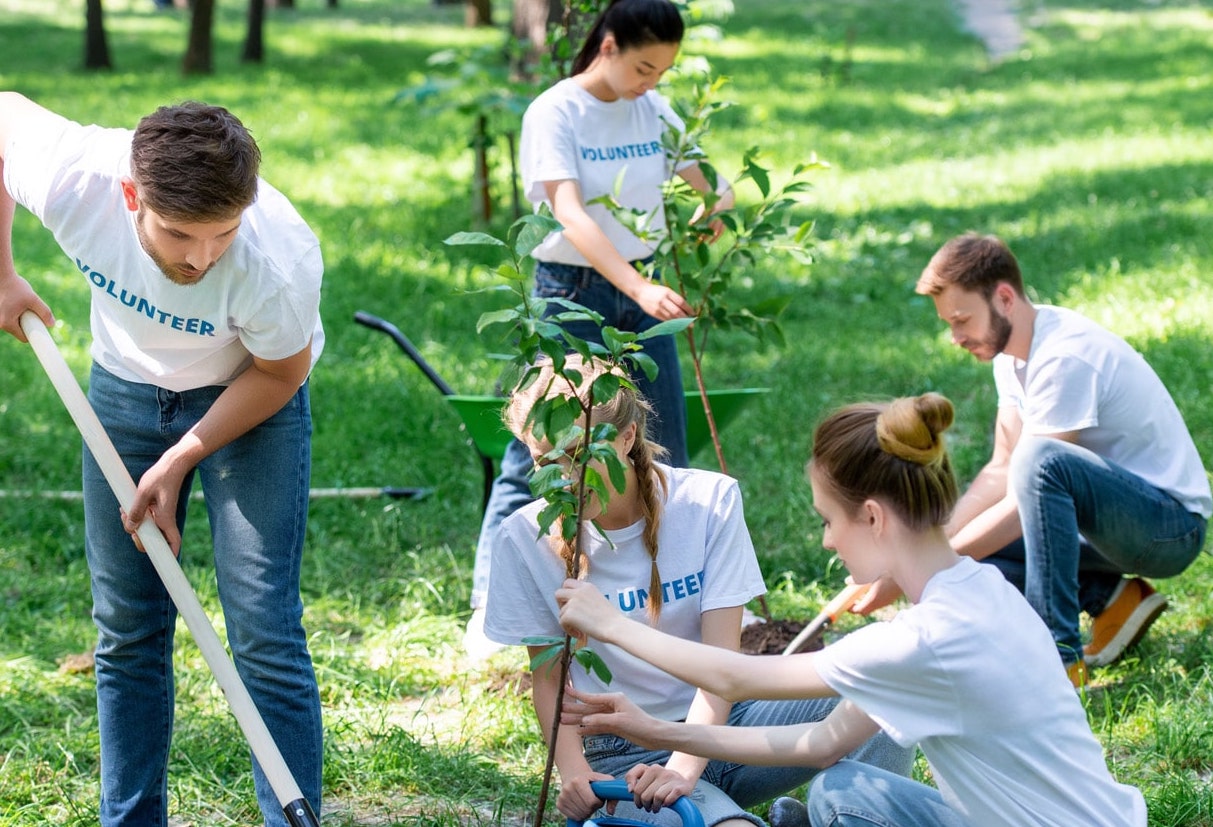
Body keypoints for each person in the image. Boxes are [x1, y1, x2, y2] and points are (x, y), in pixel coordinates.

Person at [556, 393, 1148, 827]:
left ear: (872, 516)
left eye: (828, 520)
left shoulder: (920, 641)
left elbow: (734, 675)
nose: (826, 541)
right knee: (843, 791)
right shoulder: (982, 590)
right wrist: (653, 729)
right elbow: (821, 744)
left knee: (841, 800)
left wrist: (608, 622)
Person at [0, 93, 324, 825]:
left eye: (222, 233)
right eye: (180, 234)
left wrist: (183, 455)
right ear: (129, 195)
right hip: (123, 391)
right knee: (126, 624)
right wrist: (2, 271)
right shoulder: (75, 177)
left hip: (249, 398)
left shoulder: (278, 257)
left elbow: (278, 373)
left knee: (263, 625)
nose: (203, 257)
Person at [483, 355, 911, 827]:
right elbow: (548, 675)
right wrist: (575, 771)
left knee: (885, 687)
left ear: (626, 437)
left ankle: (858, 815)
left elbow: (722, 666)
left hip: (729, 718)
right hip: (623, 752)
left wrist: (685, 768)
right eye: (545, 461)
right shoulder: (524, 537)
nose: (565, 477)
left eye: (579, 455)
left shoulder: (709, 503)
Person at [464, 0, 736, 658]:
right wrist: (637, 285)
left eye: (663, 71)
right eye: (644, 66)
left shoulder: (653, 109)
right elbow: (570, 216)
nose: (651, 82)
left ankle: (664, 604)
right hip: (573, 292)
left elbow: (714, 183)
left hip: (645, 294)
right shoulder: (556, 111)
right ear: (607, 46)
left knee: (661, 438)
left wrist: (714, 207)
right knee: (542, 450)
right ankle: (489, 609)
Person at [896, 232, 1210, 685]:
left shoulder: (1066, 356)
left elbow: (1033, 487)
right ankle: (1111, 598)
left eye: (962, 320)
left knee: (1043, 463)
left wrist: (928, 564)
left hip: (1169, 528)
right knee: (977, 563)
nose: (955, 337)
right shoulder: (1011, 354)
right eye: (949, 323)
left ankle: (1060, 658)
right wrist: (933, 546)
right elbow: (1002, 467)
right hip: (1107, 526)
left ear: (1004, 297)